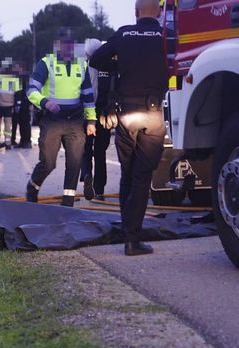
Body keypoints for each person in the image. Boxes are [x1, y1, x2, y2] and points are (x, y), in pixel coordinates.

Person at [90, 0, 169, 256]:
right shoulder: (166, 35)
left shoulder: (124, 33)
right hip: (153, 112)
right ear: (158, 12)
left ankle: (127, 234)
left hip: (126, 114)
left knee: (128, 172)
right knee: (142, 176)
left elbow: (97, 59)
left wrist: (121, 66)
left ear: (136, 13)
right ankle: (132, 240)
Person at [26, 28, 97, 207]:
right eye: (63, 44)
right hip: (52, 120)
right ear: (56, 45)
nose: (67, 48)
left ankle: (68, 203)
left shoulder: (82, 64)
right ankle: (33, 186)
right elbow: (31, 90)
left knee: (74, 163)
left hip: (75, 120)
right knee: (49, 163)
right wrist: (44, 102)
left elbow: (88, 95)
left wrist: (91, 121)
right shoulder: (46, 63)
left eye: (70, 44)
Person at [81, 39, 116, 201]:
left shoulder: (82, 69)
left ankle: (87, 173)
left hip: (87, 114)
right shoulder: (109, 67)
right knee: (100, 152)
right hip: (104, 113)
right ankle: (99, 190)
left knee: (85, 149)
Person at [0, 69, 20, 150]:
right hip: (9, 106)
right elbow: (17, 94)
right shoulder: (14, 80)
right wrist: (17, 105)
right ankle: (8, 143)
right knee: (8, 124)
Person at [11, 71, 33, 148]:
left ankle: (26, 141)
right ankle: (24, 141)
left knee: (25, 125)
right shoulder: (27, 86)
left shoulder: (23, 86)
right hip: (24, 107)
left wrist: (17, 105)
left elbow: (18, 95)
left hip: (23, 107)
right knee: (23, 125)